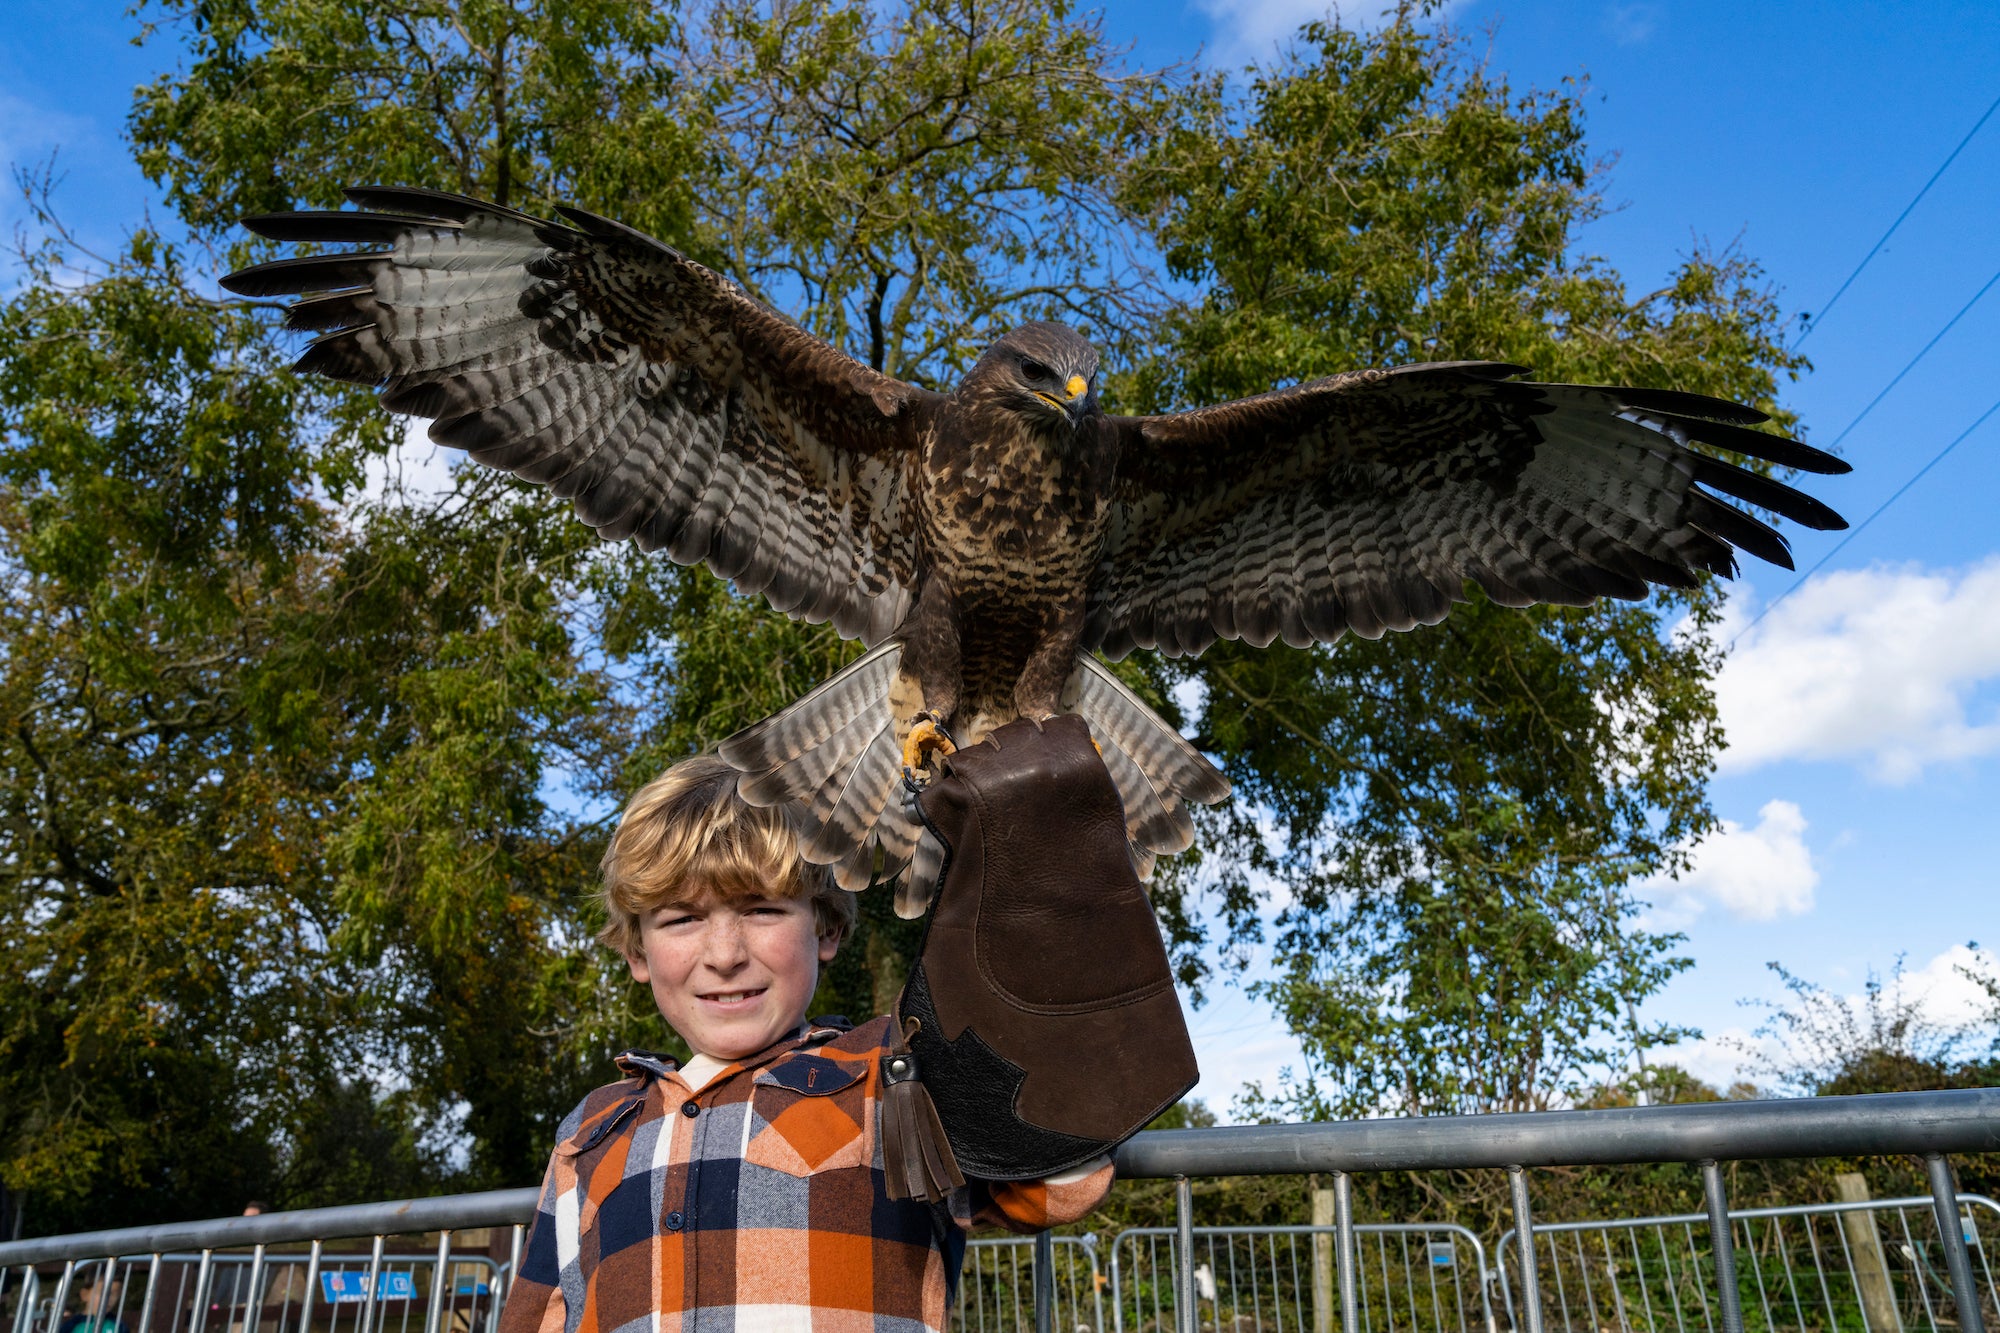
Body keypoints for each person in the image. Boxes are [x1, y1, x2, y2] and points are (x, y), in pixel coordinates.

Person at [497, 755, 1112, 1333]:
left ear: (827, 927)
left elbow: (1060, 1188)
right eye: (682, 918)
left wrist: (1031, 860)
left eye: (762, 910)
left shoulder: (895, 1074)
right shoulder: (591, 1129)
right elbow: (540, 1315)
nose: (725, 955)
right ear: (637, 951)